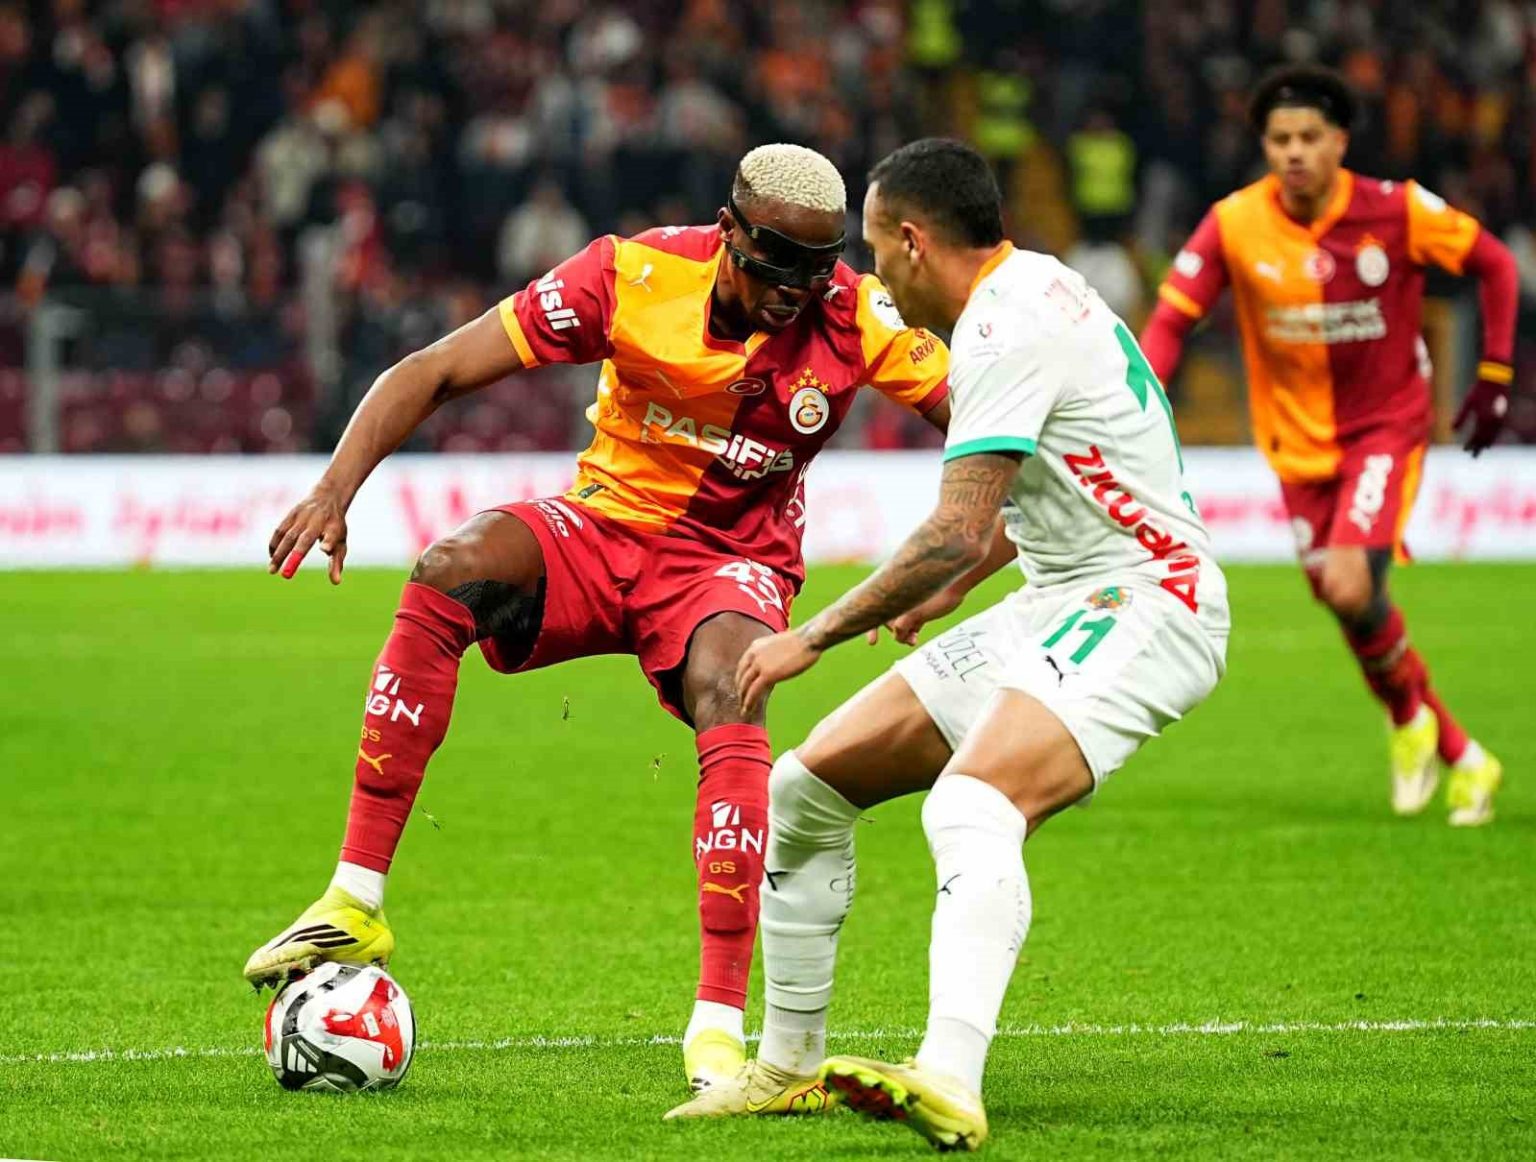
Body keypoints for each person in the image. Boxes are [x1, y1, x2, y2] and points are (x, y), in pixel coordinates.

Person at [241, 143, 951, 1095]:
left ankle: (716, 1028)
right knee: (448, 573)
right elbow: (439, 368)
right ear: (730, 231)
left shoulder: (856, 316)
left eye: (818, 266)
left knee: (734, 685)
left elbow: (988, 420)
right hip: (602, 528)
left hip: (728, 564)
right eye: (777, 259)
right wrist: (335, 488)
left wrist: (964, 555)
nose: (797, 287)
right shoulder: (630, 274)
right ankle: (355, 898)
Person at [666, 138, 1229, 1151]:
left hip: (1148, 600)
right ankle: (786, 1069)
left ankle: (950, 1078)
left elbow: (954, 529)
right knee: (806, 788)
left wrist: (814, 635)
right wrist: (963, 584)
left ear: (915, 240)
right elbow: (1055, 483)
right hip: (1060, 595)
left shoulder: (1003, 329)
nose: (873, 274)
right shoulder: (1035, 288)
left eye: (877, 248)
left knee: (973, 803)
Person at [1140, 65, 1517, 825]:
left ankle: (1415, 723)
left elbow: (1494, 263)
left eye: (1310, 137)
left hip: (1384, 426)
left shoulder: (1396, 209)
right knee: (1350, 603)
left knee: (1348, 585)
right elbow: (1171, 322)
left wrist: (1495, 371)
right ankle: (1452, 746)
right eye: (1280, 139)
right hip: (1294, 443)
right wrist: (1137, 408)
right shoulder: (1234, 223)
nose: (1294, 152)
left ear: (1340, 142)